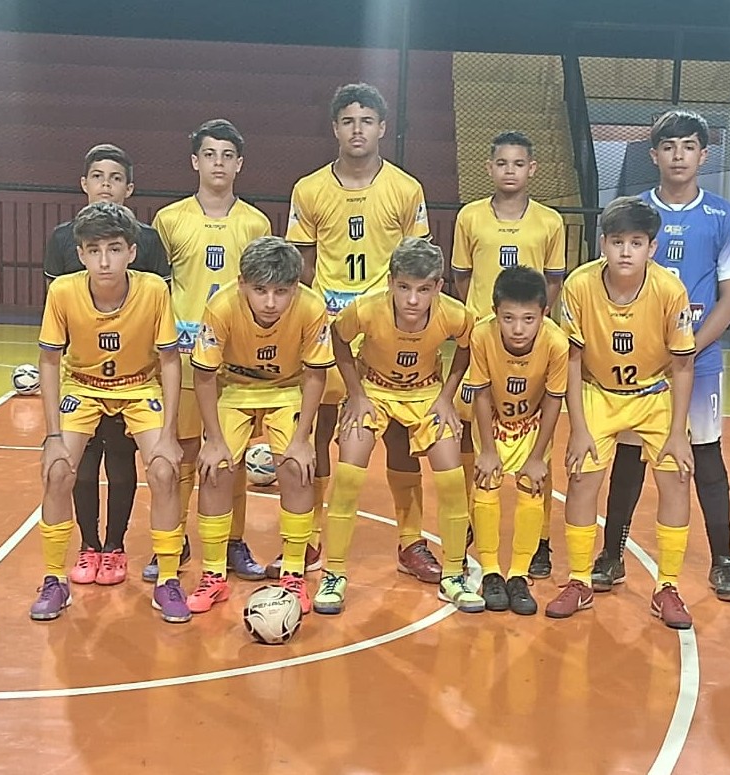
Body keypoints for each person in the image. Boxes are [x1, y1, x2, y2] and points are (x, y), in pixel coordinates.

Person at [593, 110, 730, 602]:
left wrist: (687, 347)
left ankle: (724, 560)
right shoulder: (633, 212)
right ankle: (611, 554)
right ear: (654, 155)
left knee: (704, 455)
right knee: (629, 455)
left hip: (697, 363)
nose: (678, 155)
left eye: (688, 146)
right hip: (638, 366)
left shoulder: (723, 216)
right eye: (669, 147)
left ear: (704, 155)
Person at [286, 83, 439, 584]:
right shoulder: (309, 189)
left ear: (382, 128)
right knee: (319, 430)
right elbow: (303, 264)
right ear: (335, 128)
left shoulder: (406, 188)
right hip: (328, 327)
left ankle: (411, 541)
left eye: (367, 121)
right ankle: (311, 536)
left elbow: (417, 263)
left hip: (386, 330)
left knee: (399, 435)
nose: (358, 130)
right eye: (348, 121)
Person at [31, 202, 188, 623]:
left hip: (138, 386)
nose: (105, 261)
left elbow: (170, 360)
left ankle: (168, 579)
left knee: (164, 471)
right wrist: (52, 436)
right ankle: (54, 579)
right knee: (58, 471)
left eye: (115, 249)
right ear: (80, 254)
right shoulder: (63, 292)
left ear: (131, 252)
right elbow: (49, 361)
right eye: (94, 250)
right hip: (83, 385)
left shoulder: (153, 290)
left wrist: (169, 434)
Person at [312, 238, 482, 615]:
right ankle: (333, 574)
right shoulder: (366, 309)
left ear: (438, 287)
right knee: (349, 473)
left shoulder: (455, 314)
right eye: (404, 287)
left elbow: (467, 346)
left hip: (426, 394)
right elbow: (338, 339)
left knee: (451, 478)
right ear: (390, 282)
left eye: (424, 289)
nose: (412, 299)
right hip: (374, 390)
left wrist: (446, 396)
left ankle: (454, 574)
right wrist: (356, 394)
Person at [552, 196, 697, 629]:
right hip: (598, 392)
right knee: (582, 478)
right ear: (603, 244)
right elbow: (571, 360)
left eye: (636, 243)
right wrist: (578, 427)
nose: (626, 252)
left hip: (654, 393)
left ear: (652, 247)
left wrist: (677, 433)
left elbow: (683, 364)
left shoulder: (669, 290)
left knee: (677, 477)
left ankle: (667, 586)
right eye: (617, 242)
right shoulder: (579, 285)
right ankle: (579, 580)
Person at [42, 143, 171, 587]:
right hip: (83, 376)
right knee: (72, 465)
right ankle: (81, 552)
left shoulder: (148, 252)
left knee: (124, 460)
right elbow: (51, 344)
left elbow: (163, 338)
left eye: (115, 178)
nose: (106, 185)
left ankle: (118, 548)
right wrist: (52, 432)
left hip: (135, 377)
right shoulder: (64, 247)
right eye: (98, 176)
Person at [152, 119, 272, 584]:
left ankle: (233, 542)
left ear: (239, 164)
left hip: (235, 360)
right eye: (209, 154)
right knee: (183, 451)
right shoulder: (169, 220)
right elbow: (158, 290)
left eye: (227, 155)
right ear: (194, 162)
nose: (218, 163)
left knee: (231, 454)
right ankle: (176, 538)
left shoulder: (256, 223)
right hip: (185, 357)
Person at [189, 237, 333, 615]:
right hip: (233, 389)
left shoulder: (312, 307)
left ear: (296, 287)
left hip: (287, 389)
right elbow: (204, 375)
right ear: (242, 284)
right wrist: (214, 440)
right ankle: (214, 575)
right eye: (260, 290)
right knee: (216, 469)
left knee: (297, 467)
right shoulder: (221, 307)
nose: (270, 302)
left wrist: (302, 440)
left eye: (281, 292)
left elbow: (316, 374)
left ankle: (293, 573)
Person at [450, 131, 567, 578]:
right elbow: (462, 277)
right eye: (502, 163)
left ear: (532, 169)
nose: (510, 171)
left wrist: (529, 321)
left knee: (538, 441)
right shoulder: (469, 216)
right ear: (489, 168)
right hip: (484, 343)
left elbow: (552, 281)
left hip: (527, 342)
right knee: (473, 434)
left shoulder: (549, 221)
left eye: (519, 163)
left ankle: (540, 541)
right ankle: (472, 520)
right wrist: (487, 317)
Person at [466, 266, 567, 615]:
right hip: (493, 418)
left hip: (532, 422)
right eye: (508, 318)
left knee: (531, 486)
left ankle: (519, 575)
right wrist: (487, 449)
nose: (518, 328)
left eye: (528, 319)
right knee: (486, 482)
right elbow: (480, 393)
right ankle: (491, 572)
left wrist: (538, 456)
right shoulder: (481, 335)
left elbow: (554, 399)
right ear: (495, 312)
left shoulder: (556, 342)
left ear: (544, 313)